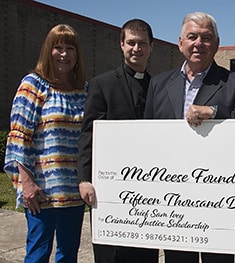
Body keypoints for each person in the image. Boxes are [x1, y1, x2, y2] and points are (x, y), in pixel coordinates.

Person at [144, 11, 235, 263]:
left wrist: (215, 112)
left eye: (206, 38)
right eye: (192, 36)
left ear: (217, 44)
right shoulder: (159, 84)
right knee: (177, 258)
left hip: (217, 193)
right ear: (180, 43)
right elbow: (148, 137)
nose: (198, 43)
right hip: (172, 194)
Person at [4, 24, 87, 263]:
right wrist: (26, 184)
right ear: (47, 50)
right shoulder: (33, 85)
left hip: (74, 192)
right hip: (41, 193)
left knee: (68, 255)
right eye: (57, 47)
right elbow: (19, 136)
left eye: (69, 48)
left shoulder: (85, 91)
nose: (64, 53)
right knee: (38, 254)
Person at [77, 19, 158, 262]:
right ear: (122, 45)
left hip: (148, 190)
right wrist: (84, 178)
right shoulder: (102, 84)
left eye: (142, 43)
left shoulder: (158, 86)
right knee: (109, 255)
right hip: (109, 189)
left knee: (145, 254)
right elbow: (88, 132)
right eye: (131, 43)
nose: (137, 49)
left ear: (151, 46)